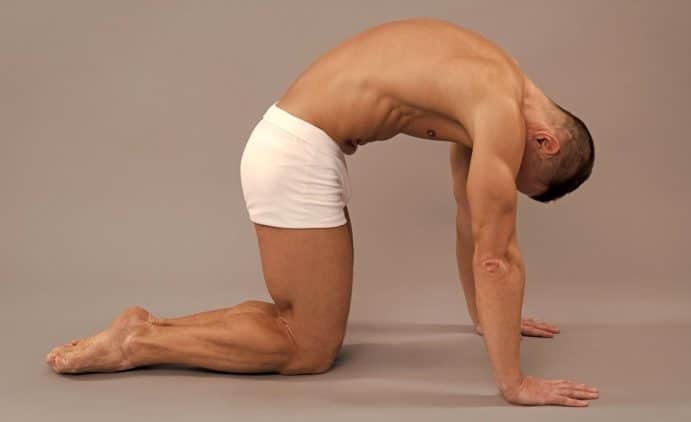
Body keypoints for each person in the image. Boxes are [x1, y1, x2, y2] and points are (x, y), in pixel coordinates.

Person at [46, 17, 597, 407]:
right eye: (521, 177)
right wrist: (514, 384)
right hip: (295, 153)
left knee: (301, 326)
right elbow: (496, 257)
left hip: (296, 144)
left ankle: (144, 327)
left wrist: (484, 319)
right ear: (544, 142)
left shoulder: (496, 74)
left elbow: (469, 218)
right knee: (306, 346)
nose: (506, 178)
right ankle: (137, 345)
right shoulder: (499, 109)